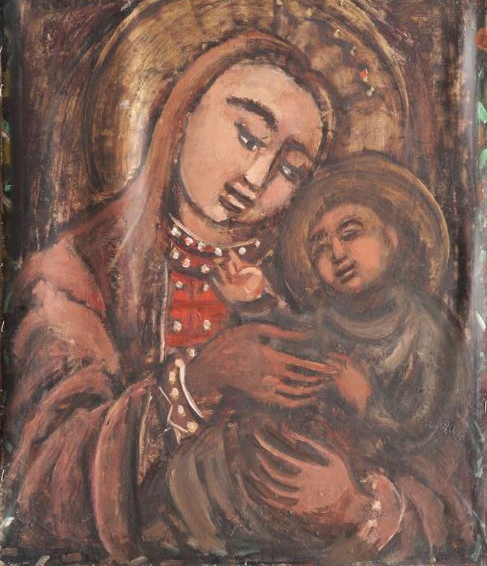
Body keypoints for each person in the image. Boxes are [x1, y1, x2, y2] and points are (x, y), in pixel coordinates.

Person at [2, 31, 336, 563]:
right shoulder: (71, 274)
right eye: (248, 135)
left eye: (291, 170)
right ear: (181, 113)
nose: (257, 178)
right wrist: (197, 382)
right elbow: (44, 477)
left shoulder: (307, 288)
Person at [147, 154, 473, 563]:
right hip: (295, 452)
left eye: (351, 233)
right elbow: (292, 342)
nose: (336, 252)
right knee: (219, 462)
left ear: (392, 238)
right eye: (320, 246)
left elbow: (426, 426)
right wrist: (256, 301)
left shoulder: (426, 331)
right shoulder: (326, 316)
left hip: (350, 477)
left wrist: (367, 403)